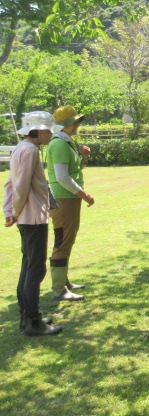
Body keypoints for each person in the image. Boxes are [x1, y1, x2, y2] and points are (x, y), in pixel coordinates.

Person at [3, 111, 63, 336]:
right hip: (32, 217)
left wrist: (10, 210)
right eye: (48, 129)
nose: (50, 134)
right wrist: (15, 211)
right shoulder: (29, 151)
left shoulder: (22, 148)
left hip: (27, 216)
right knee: (35, 269)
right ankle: (32, 320)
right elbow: (19, 186)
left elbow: (11, 183)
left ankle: (26, 316)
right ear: (38, 130)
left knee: (28, 266)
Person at [47, 106, 95, 302]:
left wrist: (84, 157)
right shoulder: (59, 144)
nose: (76, 125)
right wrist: (85, 195)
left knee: (67, 239)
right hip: (63, 198)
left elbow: (74, 171)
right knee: (63, 241)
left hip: (68, 198)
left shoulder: (66, 142)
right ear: (64, 124)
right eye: (73, 122)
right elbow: (62, 178)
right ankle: (58, 290)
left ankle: (63, 282)